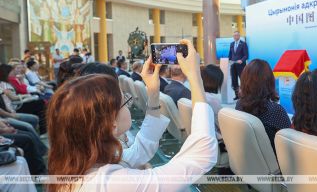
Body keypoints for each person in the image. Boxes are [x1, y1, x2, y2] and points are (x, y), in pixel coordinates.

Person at [47, 39, 217, 191]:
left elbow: (141, 148)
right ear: (111, 124)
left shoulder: (80, 161)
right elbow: (202, 156)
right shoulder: (108, 183)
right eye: (124, 102)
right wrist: (195, 77)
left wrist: (153, 92)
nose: (128, 103)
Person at [76, 62, 168, 169]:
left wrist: (153, 92)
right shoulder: (111, 165)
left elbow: (139, 152)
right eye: (124, 101)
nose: (128, 106)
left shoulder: (92, 149)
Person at [235, 59, 290, 154]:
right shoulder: (276, 111)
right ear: (269, 81)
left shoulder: (239, 105)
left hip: (247, 160)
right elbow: (290, 144)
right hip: (274, 164)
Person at [201, 64, 224, 140]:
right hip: (217, 140)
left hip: (205, 137)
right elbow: (222, 126)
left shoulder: (198, 95)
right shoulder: (213, 100)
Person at [228, 31, 248, 100]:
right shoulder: (232, 44)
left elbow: (246, 55)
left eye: (236, 35)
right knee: (234, 80)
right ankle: (237, 95)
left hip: (241, 65)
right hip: (233, 65)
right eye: (234, 36)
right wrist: (229, 60)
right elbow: (230, 54)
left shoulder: (243, 44)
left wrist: (241, 60)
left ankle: (244, 95)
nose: (235, 37)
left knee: (242, 80)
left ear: (239, 36)